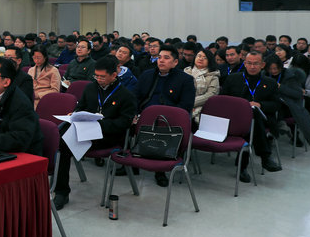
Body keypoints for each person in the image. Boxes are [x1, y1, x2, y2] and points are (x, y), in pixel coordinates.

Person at [53, 55, 137, 210]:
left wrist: (99, 124)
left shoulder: (126, 95)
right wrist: (75, 114)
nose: (98, 79)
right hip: (86, 131)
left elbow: (124, 123)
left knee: (65, 143)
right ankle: (61, 191)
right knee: (62, 140)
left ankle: (58, 185)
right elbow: (81, 107)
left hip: (107, 136)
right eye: (96, 76)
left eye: (102, 77)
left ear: (114, 75)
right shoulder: (91, 88)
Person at [135, 44, 196, 187]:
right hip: (144, 115)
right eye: (159, 57)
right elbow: (135, 97)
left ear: (175, 62)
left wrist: (169, 116)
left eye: (166, 58)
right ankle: (132, 163)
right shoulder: (147, 75)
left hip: (169, 120)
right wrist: (135, 113)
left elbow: (186, 105)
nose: (161, 60)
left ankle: (160, 171)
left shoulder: (185, 80)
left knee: (161, 126)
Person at [220, 51, 283, 177]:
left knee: (253, 117)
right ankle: (265, 156)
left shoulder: (270, 82)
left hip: (262, 119)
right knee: (251, 120)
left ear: (262, 65)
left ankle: (242, 167)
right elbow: (223, 100)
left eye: (256, 64)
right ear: (245, 64)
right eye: (249, 63)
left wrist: (260, 105)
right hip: (235, 118)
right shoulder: (233, 78)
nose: (252, 66)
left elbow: (276, 105)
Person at [264, 55, 310, 146]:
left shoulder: (290, 76)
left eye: (275, 68)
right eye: (270, 69)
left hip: (288, 105)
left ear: (280, 66)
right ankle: (272, 132)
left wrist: (280, 87)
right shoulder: (264, 75)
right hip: (270, 104)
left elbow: (297, 94)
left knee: (275, 107)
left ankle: (278, 131)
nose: (273, 71)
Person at [184, 49, 220, 124]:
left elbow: (211, 94)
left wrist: (191, 103)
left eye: (205, 58)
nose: (201, 59)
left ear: (209, 61)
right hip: (183, 105)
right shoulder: (186, 72)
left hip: (202, 108)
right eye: (199, 56)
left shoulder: (213, 75)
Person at [28, 45, 60, 109]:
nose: (36, 60)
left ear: (45, 57)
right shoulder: (31, 70)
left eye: (39, 58)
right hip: (30, 98)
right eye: (34, 57)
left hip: (44, 99)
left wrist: (38, 95)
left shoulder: (53, 70)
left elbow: (55, 90)